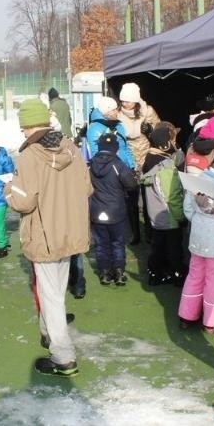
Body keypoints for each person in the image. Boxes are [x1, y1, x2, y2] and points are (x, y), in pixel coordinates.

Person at [6, 98, 92, 377]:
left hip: (44, 233)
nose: (22, 132)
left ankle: (63, 356)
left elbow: (24, 202)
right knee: (56, 292)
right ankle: (49, 334)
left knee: (51, 296)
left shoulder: (29, 156)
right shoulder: (72, 148)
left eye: (23, 126)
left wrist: (9, 188)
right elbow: (87, 188)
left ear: (28, 126)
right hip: (70, 229)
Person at [178, 116, 214, 332]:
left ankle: (186, 315)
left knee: (194, 276)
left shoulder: (193, 165)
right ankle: (211, 321)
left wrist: (198, 220)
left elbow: (188, 207)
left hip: (197, 235)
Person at [88, 132, 138, 286]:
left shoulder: (90, 165)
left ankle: (104, 273)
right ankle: (119, 272)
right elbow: (131, 185)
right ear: (115, 148)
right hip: (116, 210)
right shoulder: (118, 165)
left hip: (96, 210)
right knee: (117, 242)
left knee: (101, 243)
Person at [117, 82, 161, 244]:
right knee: (131, 200)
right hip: (129, 161)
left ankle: (150, 231)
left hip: (147, 159)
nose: (125, 103)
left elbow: (161, 130)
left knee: (149, 197)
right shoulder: (118, 115)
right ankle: (135, 234)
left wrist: (150, 131)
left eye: (128, 100)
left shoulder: (147, 111)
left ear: (136, 100)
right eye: (123, 100)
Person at [141, 124, 185, 286]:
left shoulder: (150, 159)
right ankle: (177, 274)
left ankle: (155, 274)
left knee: (157, 247)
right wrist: (181, 216)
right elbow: (172, 197)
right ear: (166, 144)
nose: (174, 142)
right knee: (174, 249)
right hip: (170, 216)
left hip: (155, 215)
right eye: (172, 139)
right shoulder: (166, 167)